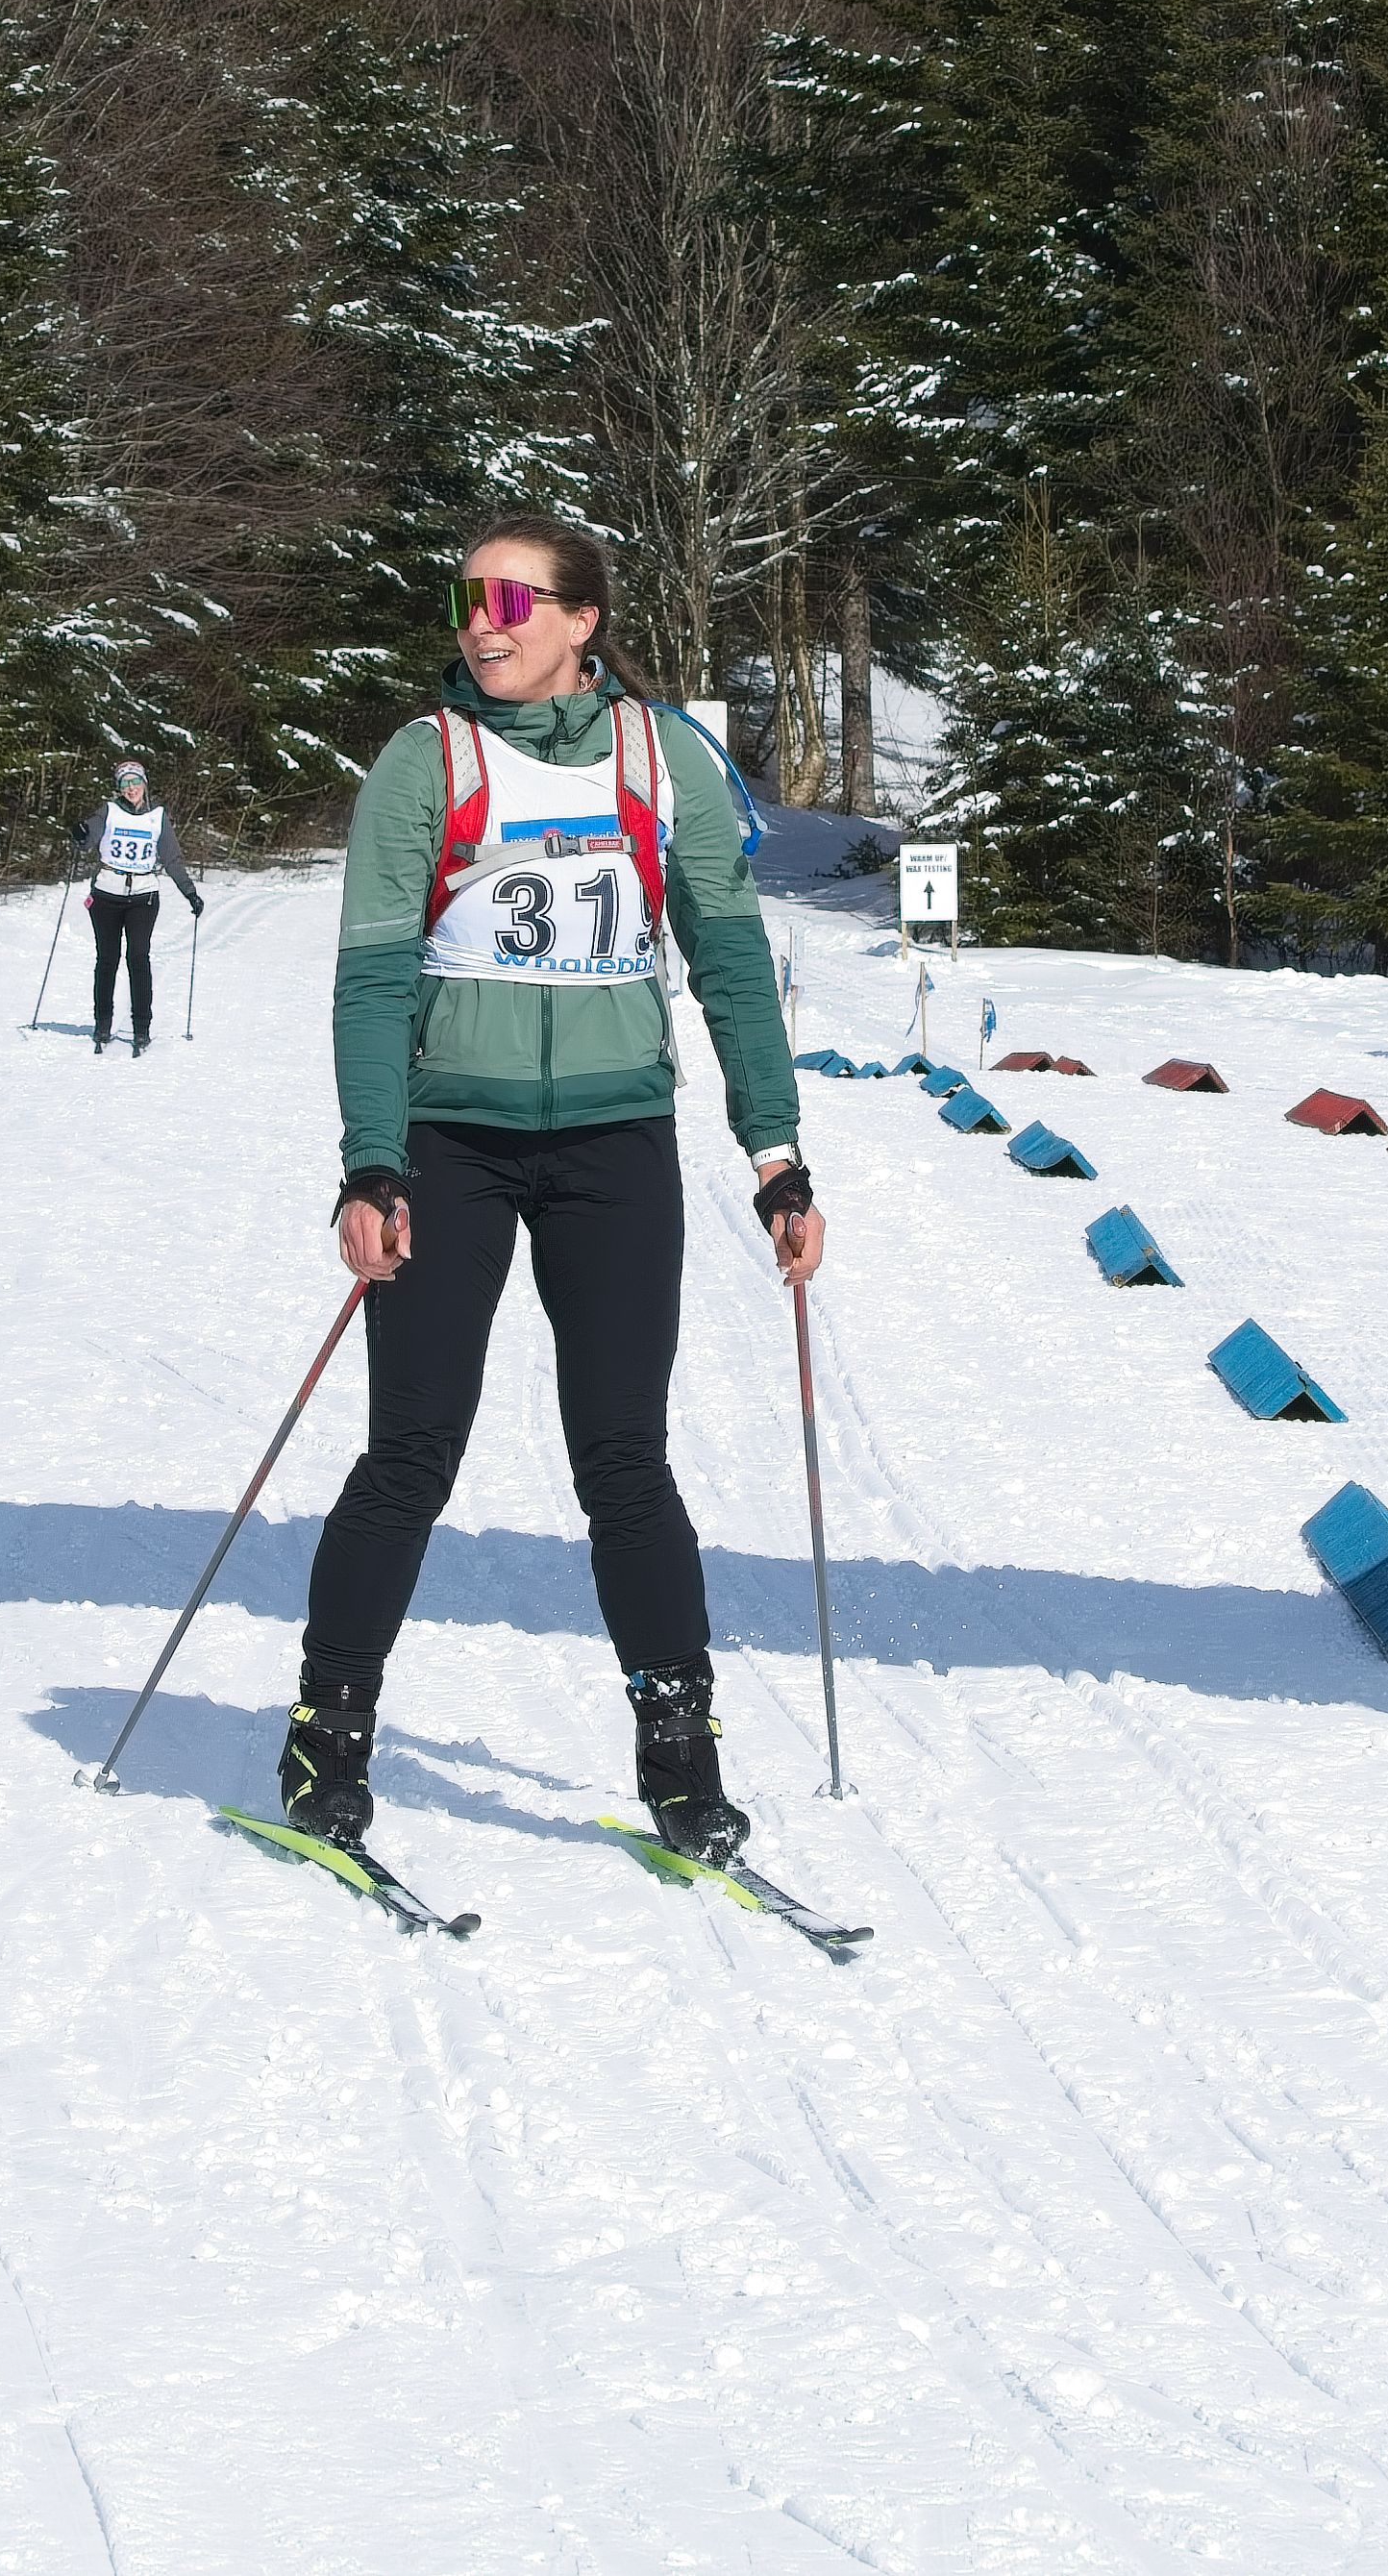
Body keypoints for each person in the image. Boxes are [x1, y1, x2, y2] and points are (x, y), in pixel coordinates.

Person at [285, 515, 819, 1861]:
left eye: (514, 600)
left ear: (583, 619)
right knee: (412, 1449)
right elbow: (372, 976)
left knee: (624, 1459)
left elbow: (729, 958)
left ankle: (682, 1759)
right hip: (452, 1145)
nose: (484, 621)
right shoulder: (426, 759)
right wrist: (371, 1160)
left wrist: (775, 1152)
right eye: (467, 597)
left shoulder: (663, 757)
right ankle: (326, 1733)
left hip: (613, 1143)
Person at [85, 755, 205, 1053]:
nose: (131, 788)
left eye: (135, 782)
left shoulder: (157, 816)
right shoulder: (109, 811)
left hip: (143, 897)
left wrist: (190, 893)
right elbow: (88, 839)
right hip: (106, 895)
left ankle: (142, 1028)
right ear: (119, 787)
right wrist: (80, 834)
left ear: (144, 784)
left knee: (138, 958)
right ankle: (102, 1024)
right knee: (107, 959)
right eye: (125, 783)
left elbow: (171, 858)